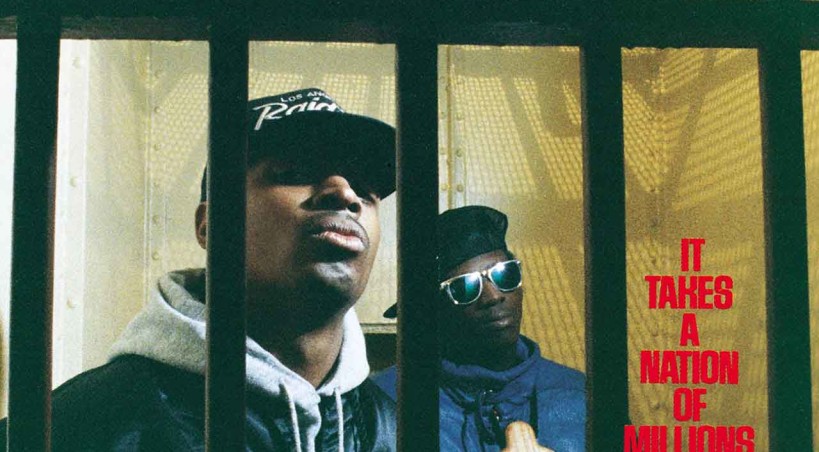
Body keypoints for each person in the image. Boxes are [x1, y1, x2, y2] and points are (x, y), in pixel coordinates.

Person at [0, 88, 397, 451]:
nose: (345, 194)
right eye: (293, 173)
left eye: (365, 190)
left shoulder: (401, 430)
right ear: (212, 227)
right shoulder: (73, 430)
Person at [372, 205, 586, 451]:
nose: (493, 296)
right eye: (465, 287)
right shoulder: (386, 403)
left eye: (505, 275)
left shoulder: (580, 395)